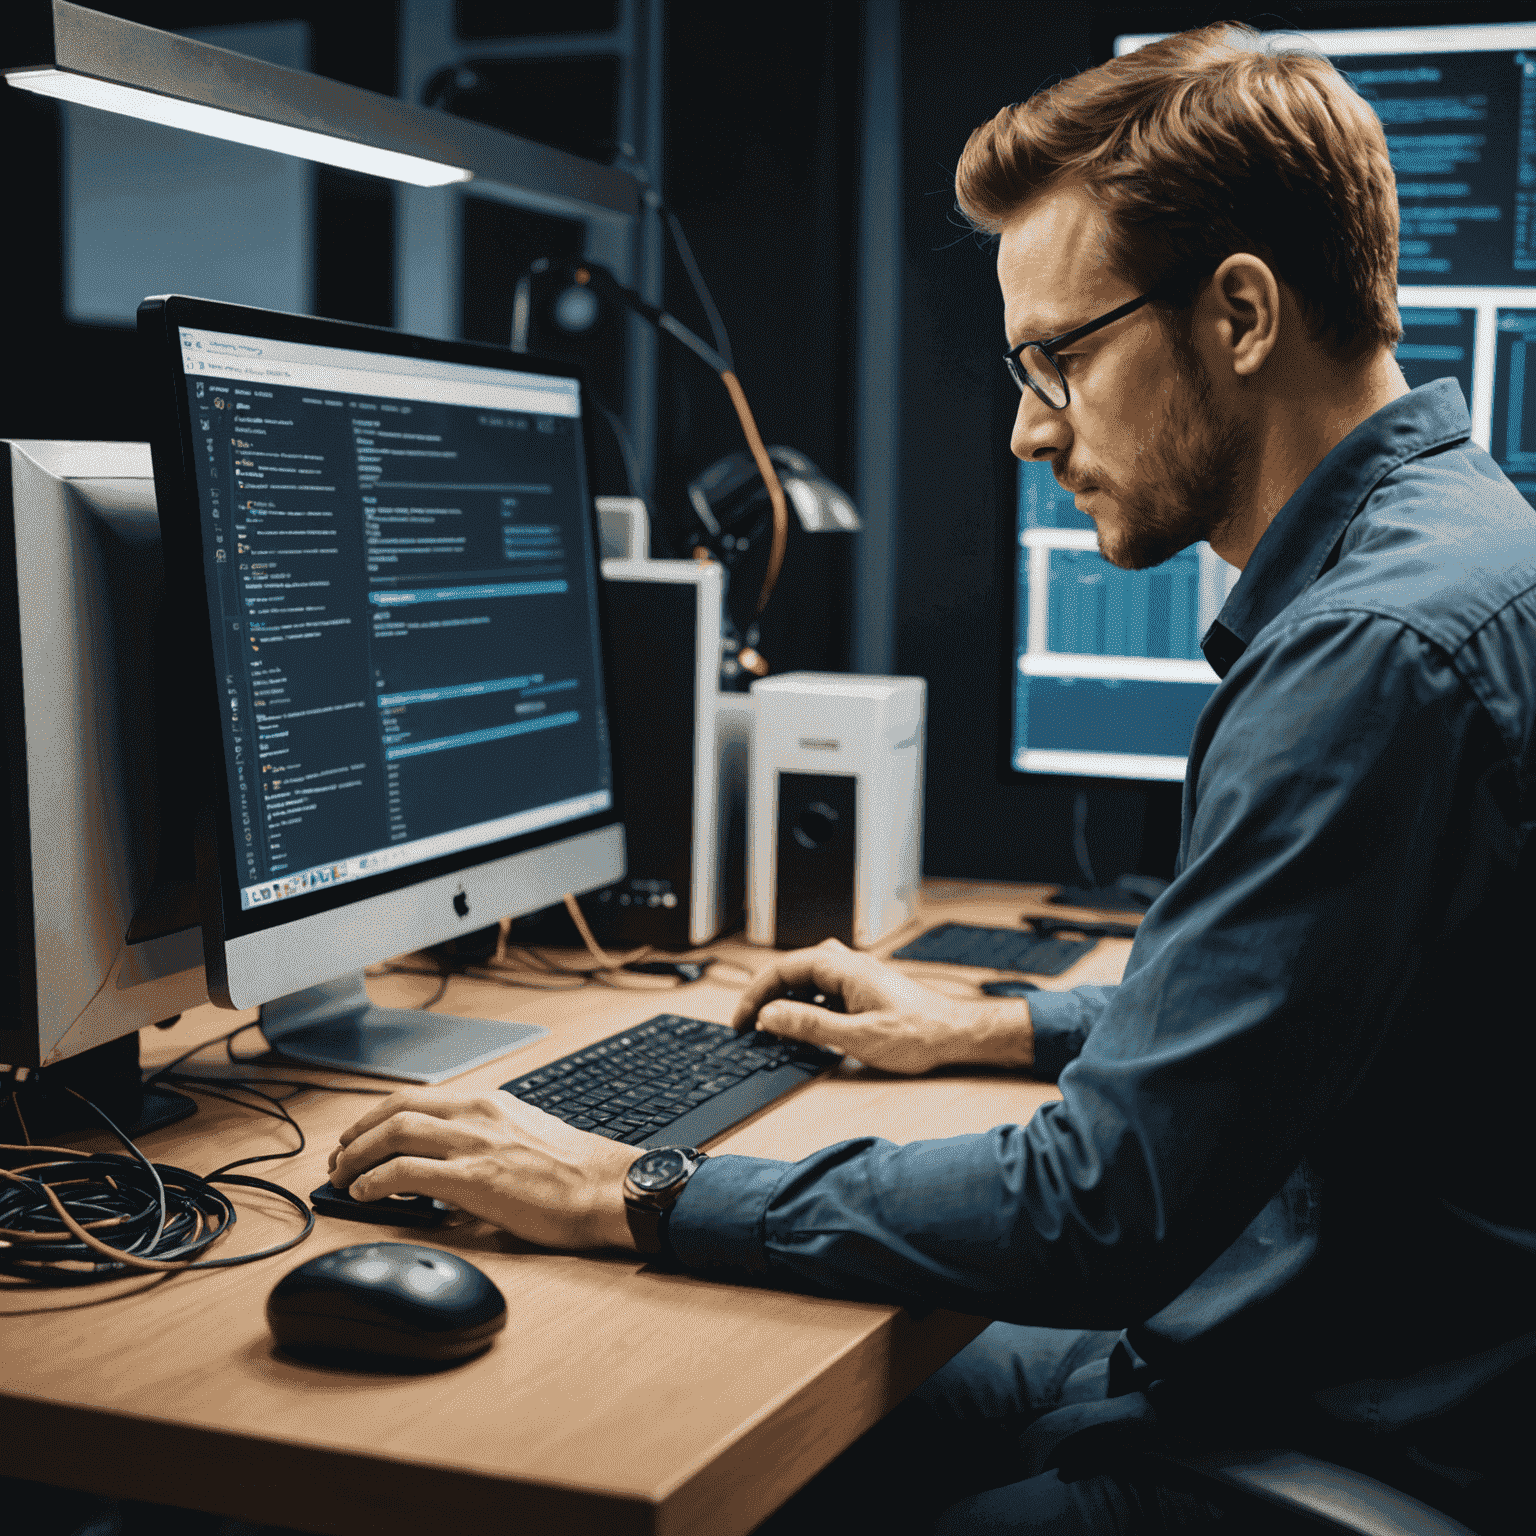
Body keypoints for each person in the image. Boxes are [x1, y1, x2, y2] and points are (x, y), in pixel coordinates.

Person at [328, 25, 1535, 1534]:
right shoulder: (1471, 545)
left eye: (1060, 359)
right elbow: (1313, 992)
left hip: (1348, 1425)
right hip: (1332, 1339)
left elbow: (1098, 1210)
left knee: (709, 1456)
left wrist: (629, 1188)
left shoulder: (1368, 652)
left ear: (1238, 313)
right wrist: (989, 1021)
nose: (1030, 427)